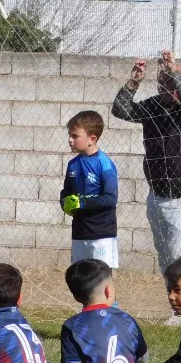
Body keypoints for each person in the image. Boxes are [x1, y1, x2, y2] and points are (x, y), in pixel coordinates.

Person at [111, 50, 181, 278]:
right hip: (157, 193)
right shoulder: (155, 106)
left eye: (169, 83)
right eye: (160, 83)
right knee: (165, 257)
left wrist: (172, 70)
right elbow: (120, 110)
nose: (162, 89)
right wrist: (134, 82)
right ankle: (174, 298)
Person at [57, 259, 150, 363]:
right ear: (108, 290)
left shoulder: (72, 326)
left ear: (75, 297)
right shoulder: (127, 319)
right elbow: (143, 356)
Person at [60, 110, 119, 268]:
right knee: (79, 276)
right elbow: (66, 192)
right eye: (69, 135)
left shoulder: (104, 164)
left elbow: (110, 198)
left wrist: (82, 203)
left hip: (101, 234)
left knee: (101, 277)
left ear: (92, 139)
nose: (70, 140)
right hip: (79, 232)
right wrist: (65, 202)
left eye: (75, 136)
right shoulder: (72, 164)